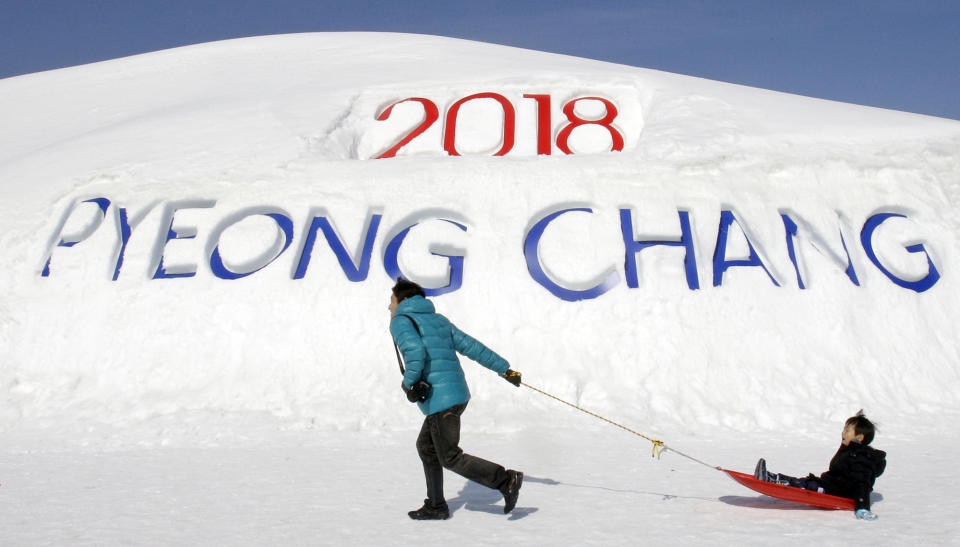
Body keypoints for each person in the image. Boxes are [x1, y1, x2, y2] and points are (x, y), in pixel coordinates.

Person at [389, 278, 524, 520]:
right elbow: (472, 346)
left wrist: (408, 383)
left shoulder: (401, 321)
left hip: (440, 400)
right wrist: (504, 369)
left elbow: (415, 353)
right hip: (456, 396)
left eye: (392, 301)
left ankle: (506, 480)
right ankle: (436, 505)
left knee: (449, 456)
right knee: (427, 447)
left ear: (403, 300)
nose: (389, 307)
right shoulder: (438, 321)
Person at [754, 411, 886, 520]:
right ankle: (771, 477)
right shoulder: (851, 451)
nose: (843, 433)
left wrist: (862, 507)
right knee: (806, 482)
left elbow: (861, 482)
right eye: (844, 429)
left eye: (847, 430)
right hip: (832, 486)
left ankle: (771, 480)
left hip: (840, 492)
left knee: (808, 486)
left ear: (859, 437)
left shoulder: (861, 458)